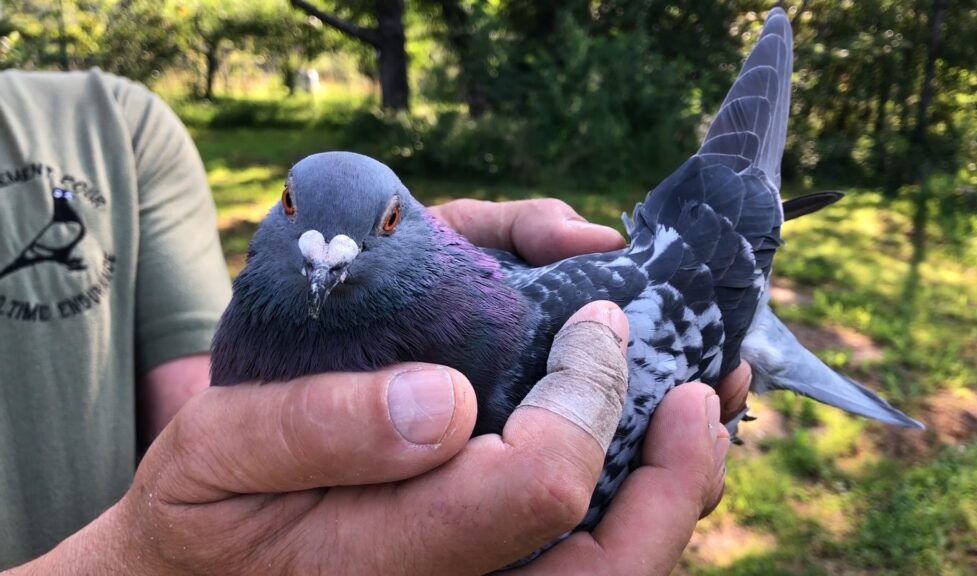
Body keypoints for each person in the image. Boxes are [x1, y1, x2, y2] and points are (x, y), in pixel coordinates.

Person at [0, 69, 750, 574]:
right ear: (281, 208)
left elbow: (189, 403)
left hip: (654, 290)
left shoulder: (118, 122)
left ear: (404, 218)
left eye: (385, 220)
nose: (322, 260)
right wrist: (152, 553)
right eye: (294, 210)